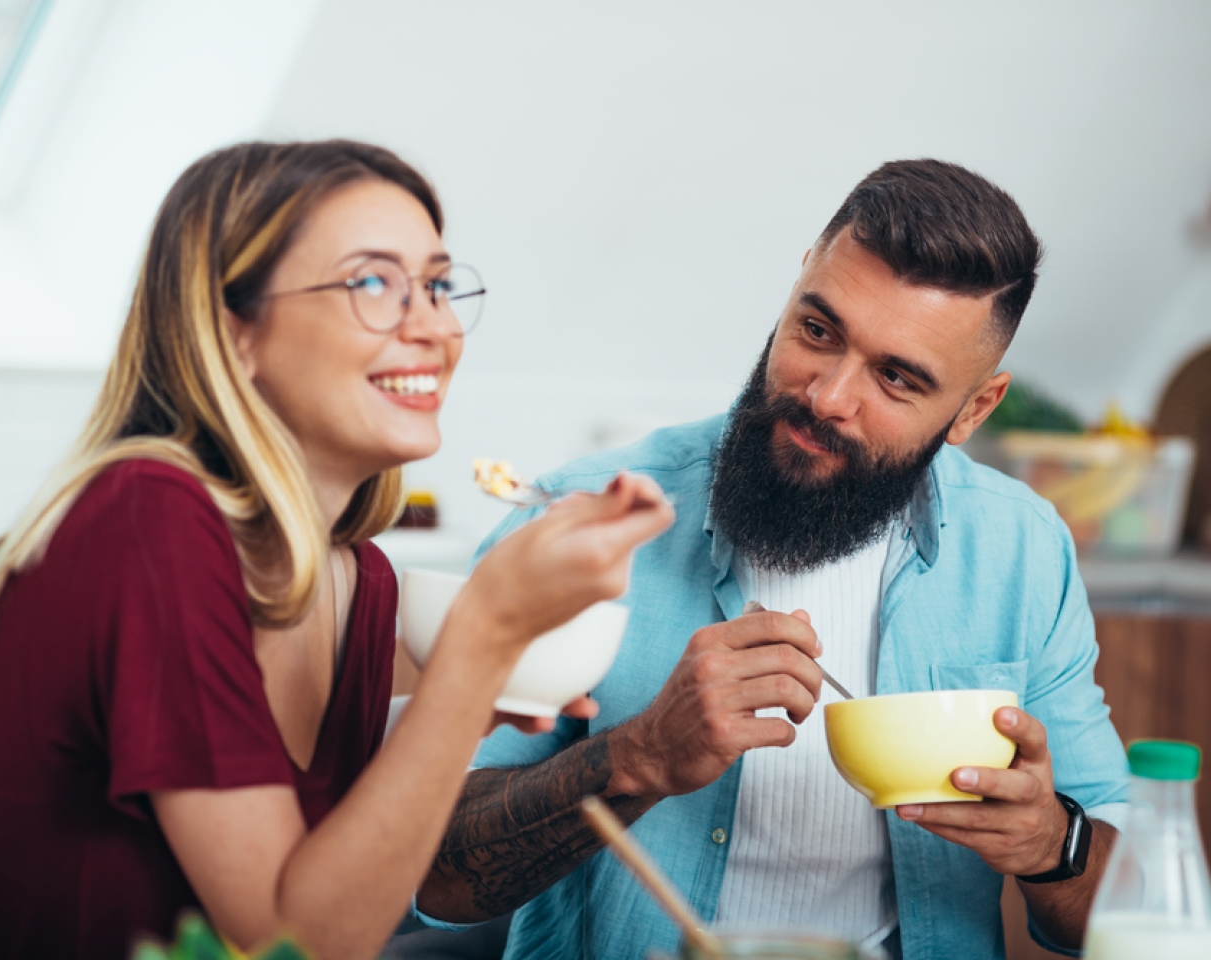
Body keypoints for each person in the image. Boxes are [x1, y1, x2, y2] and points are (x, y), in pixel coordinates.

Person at [0, 140, 673, 960]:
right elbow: (291, 943)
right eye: (372, 283)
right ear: (231, 331)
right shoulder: (147, 520)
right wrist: (480, 646)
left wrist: (489, 676)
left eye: (434, 284)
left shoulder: (361, 582)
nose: (434, 325)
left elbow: (347, 890)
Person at [415, 160, 1131, 960]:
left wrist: (1052, 844)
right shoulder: (578, 520)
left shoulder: (1020, 550)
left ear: (973, 409)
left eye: (896, 378)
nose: (827, 395)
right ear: (796, 287)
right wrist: (639, 757)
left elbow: (1134, 912)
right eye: (817, 331)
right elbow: (428, 874)